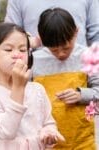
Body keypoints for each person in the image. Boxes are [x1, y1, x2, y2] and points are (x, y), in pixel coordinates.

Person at [0, 22, 65, 150]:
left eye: (22, 50)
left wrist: (48, 132)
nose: (17, 55)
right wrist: (18, 88)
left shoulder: (37, 89)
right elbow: (7, 131)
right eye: (9, 50)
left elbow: (48, 122)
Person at [32, 8, 99, 149]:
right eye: (54, 50)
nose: (61, 54)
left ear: (76, 32)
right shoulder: (33, 60)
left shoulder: (89, 56)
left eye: (66, 47)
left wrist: (81, 95)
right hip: (45, 142)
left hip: (83, 140)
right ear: (41, 39)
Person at [5, 0, 99, 47]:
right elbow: (9, 37)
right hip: (35, 71)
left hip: (79, 70)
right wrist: (31, 42)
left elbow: (96, 36)